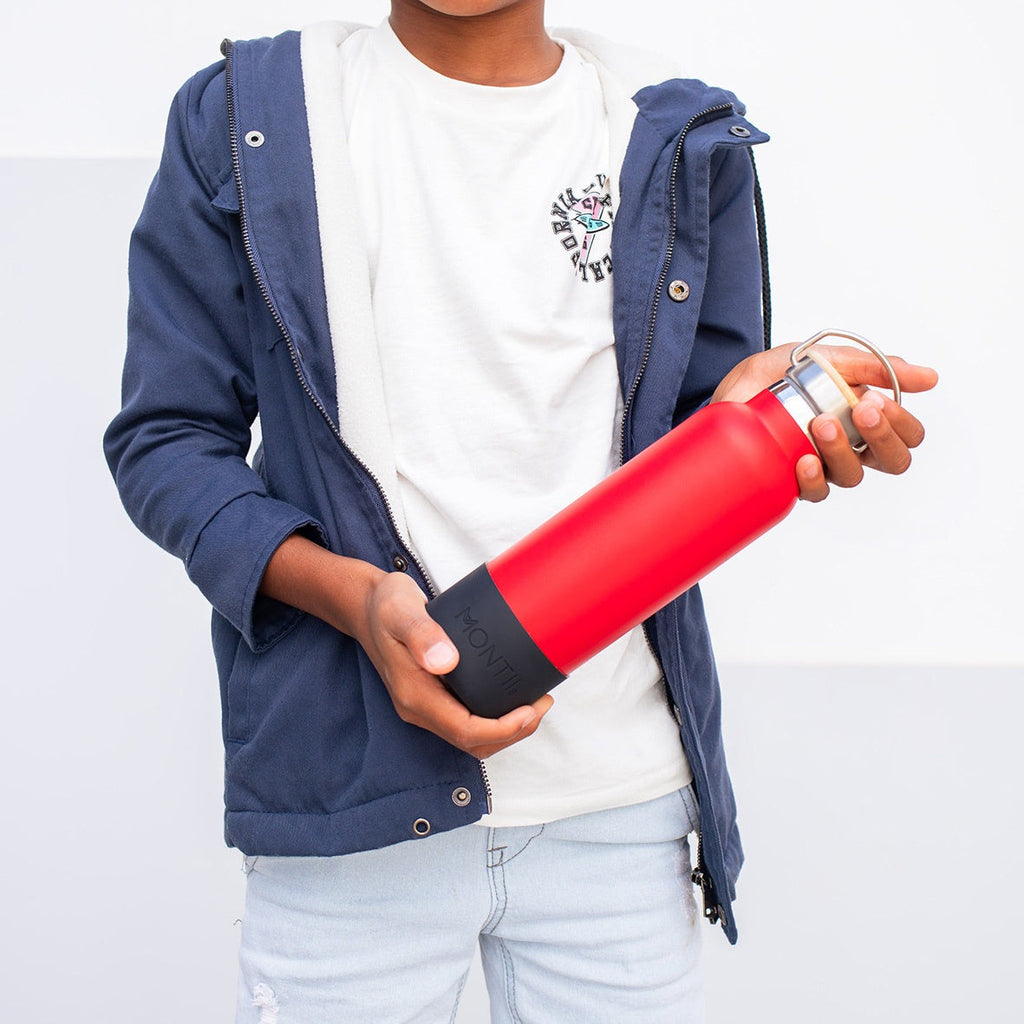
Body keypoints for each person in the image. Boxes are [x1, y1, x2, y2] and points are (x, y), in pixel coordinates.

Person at [104, 2, 938, 1020]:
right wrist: (352, 598)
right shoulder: (249, 113)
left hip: (620, 808)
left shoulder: (676, 134)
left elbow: (683, 446)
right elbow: (167, 437)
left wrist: (752, 430)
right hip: (353, 813)